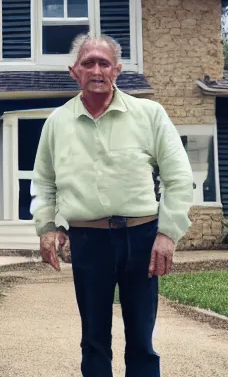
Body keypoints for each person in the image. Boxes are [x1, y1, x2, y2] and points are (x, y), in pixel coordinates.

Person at [30, 33, 193, 377]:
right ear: (74, 71)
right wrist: (47, 228)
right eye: (88, 62)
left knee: (141, 340)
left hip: (142, 239)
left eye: (104, 63)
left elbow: (178, 177)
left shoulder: (149, 114)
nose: (97, 69)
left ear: (118, 70)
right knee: (93, 340)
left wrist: (168, 234)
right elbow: (45, 183)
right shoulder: (57, 123)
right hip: (89, 242)